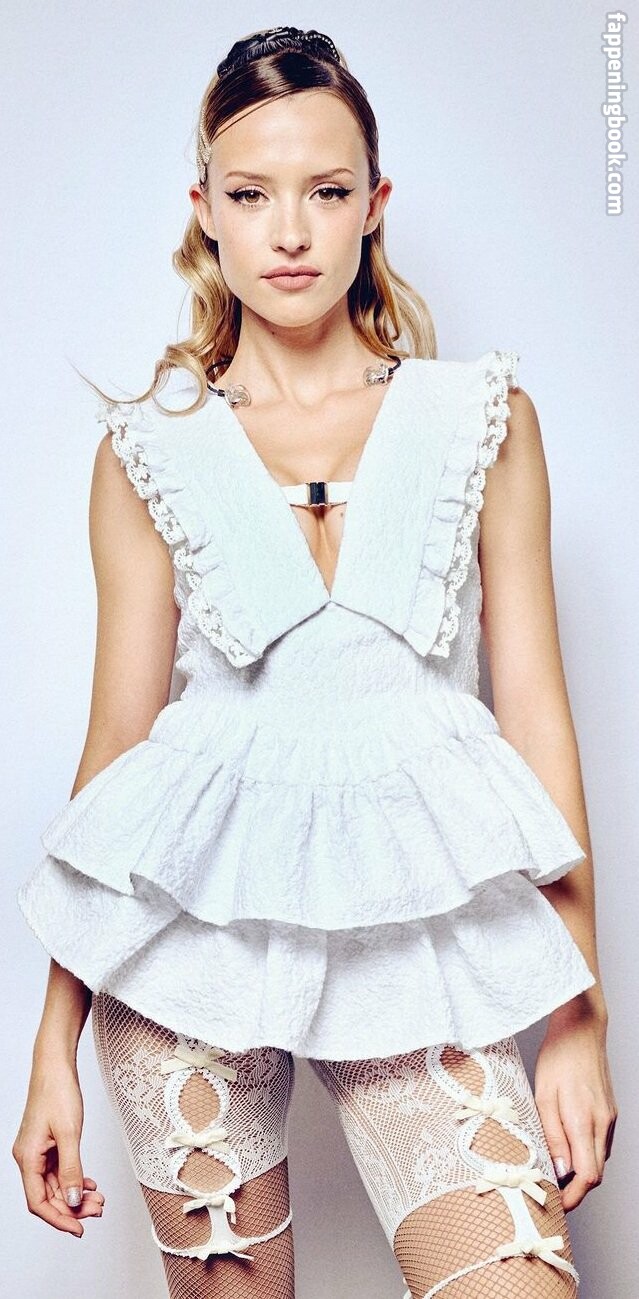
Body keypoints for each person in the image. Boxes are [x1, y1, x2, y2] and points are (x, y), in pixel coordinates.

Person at [13, 25, 617, 1299]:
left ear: (374, 204)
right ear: (205, 213)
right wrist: (49, 1047)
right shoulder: (150, 446)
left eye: (327, 191)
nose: (290, 231)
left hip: (420, 946)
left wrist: (580, 1016)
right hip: (182, 961)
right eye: (252, 194)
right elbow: (116, 756)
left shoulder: (483, 421)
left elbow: (538, 725)